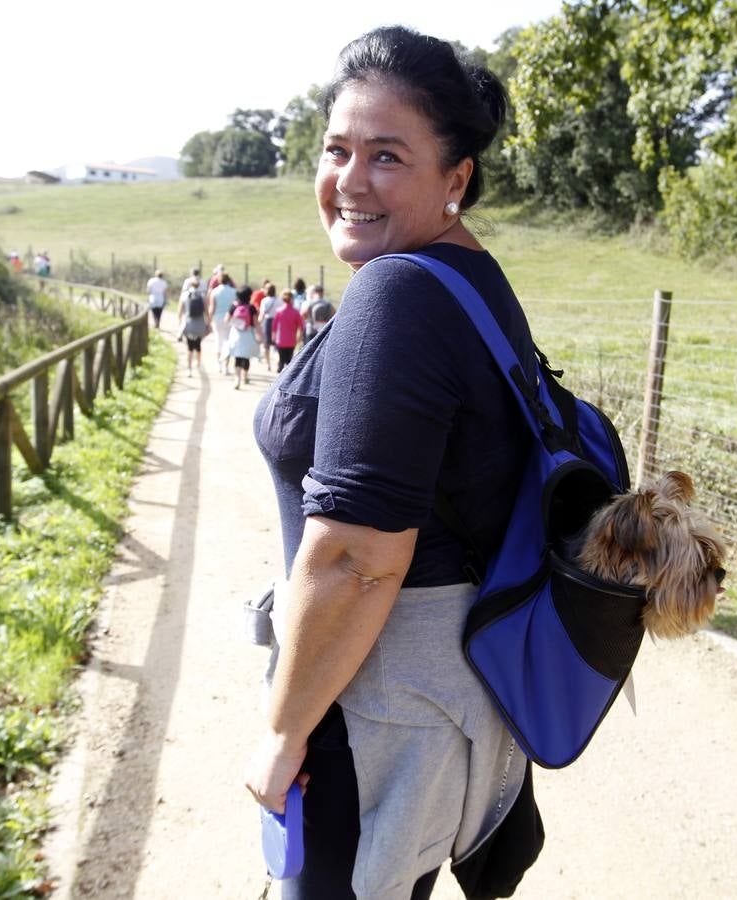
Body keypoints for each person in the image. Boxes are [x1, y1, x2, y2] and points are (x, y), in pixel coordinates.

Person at [244, 26, 541, 899]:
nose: (350, 180)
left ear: (456, 180)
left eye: (386, 156)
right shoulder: (468, 278)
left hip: (367, 709)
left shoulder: (398, 292)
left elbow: (358, 559)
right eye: (336, 149)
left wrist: (282, 733)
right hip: (441, 706)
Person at [227, 285, 259, 389]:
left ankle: (237, 379)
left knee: (237, 357)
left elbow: (226, 320)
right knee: (246, 357)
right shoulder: (252, 308)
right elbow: (255, 323)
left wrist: (236, 323)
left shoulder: (234, 306)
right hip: (248, 334)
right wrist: (260, 335)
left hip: (236, 334)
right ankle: (245, 376)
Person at [178, 277, 211, 372]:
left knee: (189, 346)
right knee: (198, 345)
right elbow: (206, 312)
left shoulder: (184, 295)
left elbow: (180, 311)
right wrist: (208, 324)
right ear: (199, 285)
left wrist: (180, 323)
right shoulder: (202, 296)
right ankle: (198, 363)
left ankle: (189, 367)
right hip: (200, 324)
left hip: (188, 323)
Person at [210, 273, 238, 375]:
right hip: (230, 319)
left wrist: (209, 320)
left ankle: (219, 364)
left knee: (218, 341)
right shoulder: (234, 292)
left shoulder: (214, 291)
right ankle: (226, 366)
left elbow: (212, 308)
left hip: (217, 319)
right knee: (228, 342)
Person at [271, 291, 303, 370]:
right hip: (291, 340)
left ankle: (280, 373)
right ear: (292, 299)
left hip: (281, 339)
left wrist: (273, 336)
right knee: (289, 360)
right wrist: (299, 337)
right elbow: (301, 326)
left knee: (281, 359)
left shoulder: (279, 311)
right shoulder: (295, 312)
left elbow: (274, 326)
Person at [259, 282, 282, 370]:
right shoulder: (279, 300)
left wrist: (258, 325)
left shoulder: (264, 301)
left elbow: (261, 315)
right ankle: (277, 362)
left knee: (266, 345)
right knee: (276, 345)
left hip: (267, 322)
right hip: (277, 323)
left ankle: (268, 364)